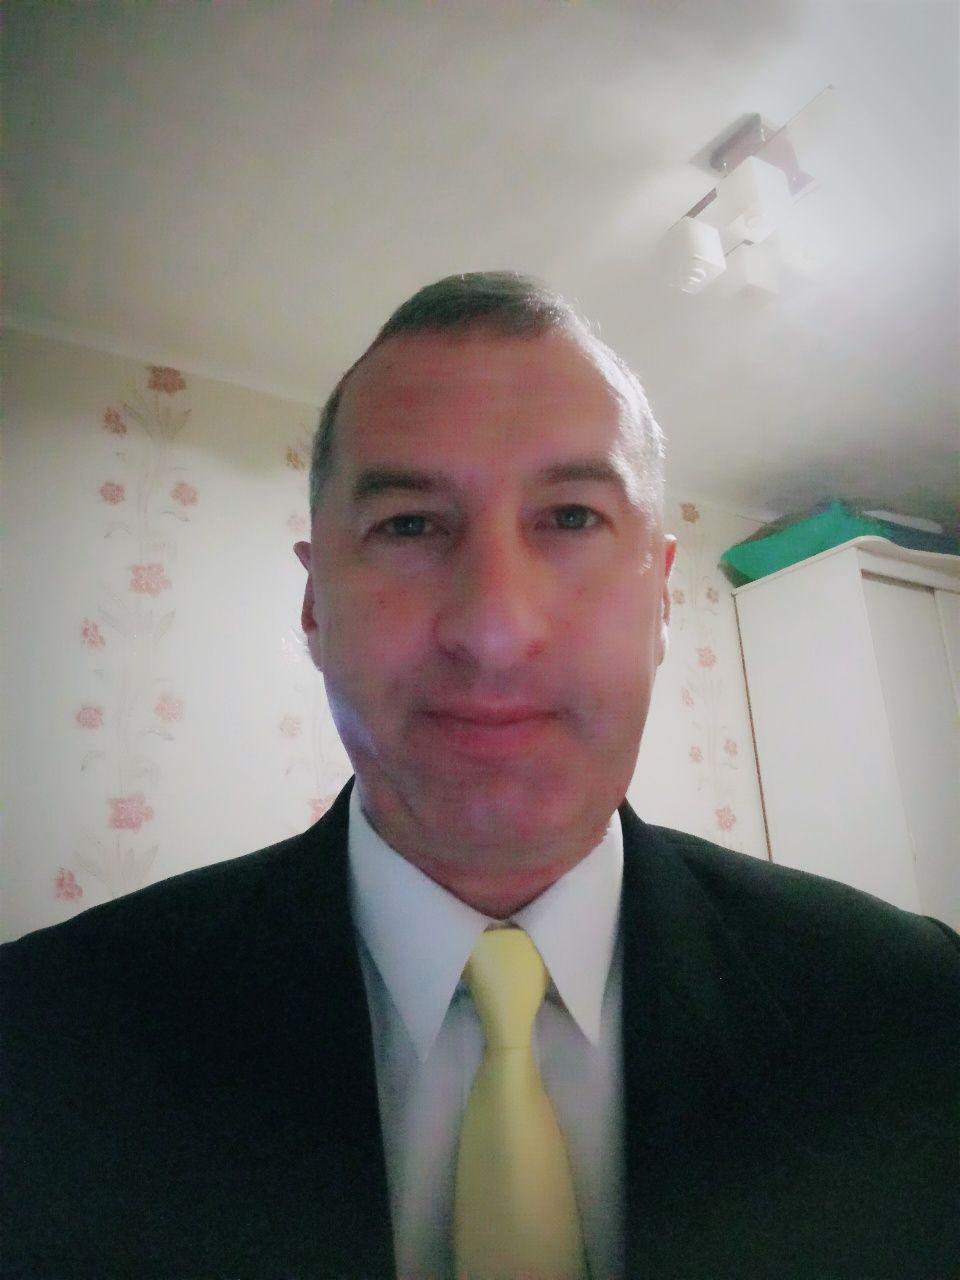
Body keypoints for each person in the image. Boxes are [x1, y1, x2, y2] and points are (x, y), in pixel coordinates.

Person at [2, 272, 957, 1280]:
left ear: (664, 600)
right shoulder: (43, 1046)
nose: (495, 629)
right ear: (315, 607)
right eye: (410, 524)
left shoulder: (917, 1017)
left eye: (573, 518)